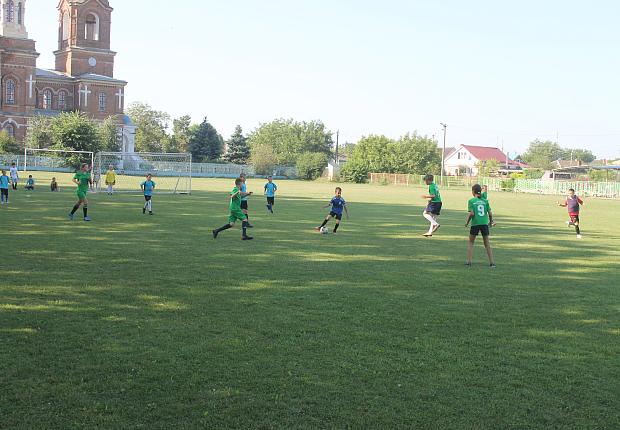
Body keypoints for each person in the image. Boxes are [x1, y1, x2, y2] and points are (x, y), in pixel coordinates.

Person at [465, 184, 496, 268]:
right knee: (487, 243)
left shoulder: (471, 201)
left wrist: (467, 223)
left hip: (475, 224)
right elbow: (489, 213)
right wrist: (490, 221)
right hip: (484, 224)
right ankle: (492, 262)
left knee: (471, 242)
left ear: (473, 191)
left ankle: (469, 262)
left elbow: (471, 213)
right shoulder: (485, 201)